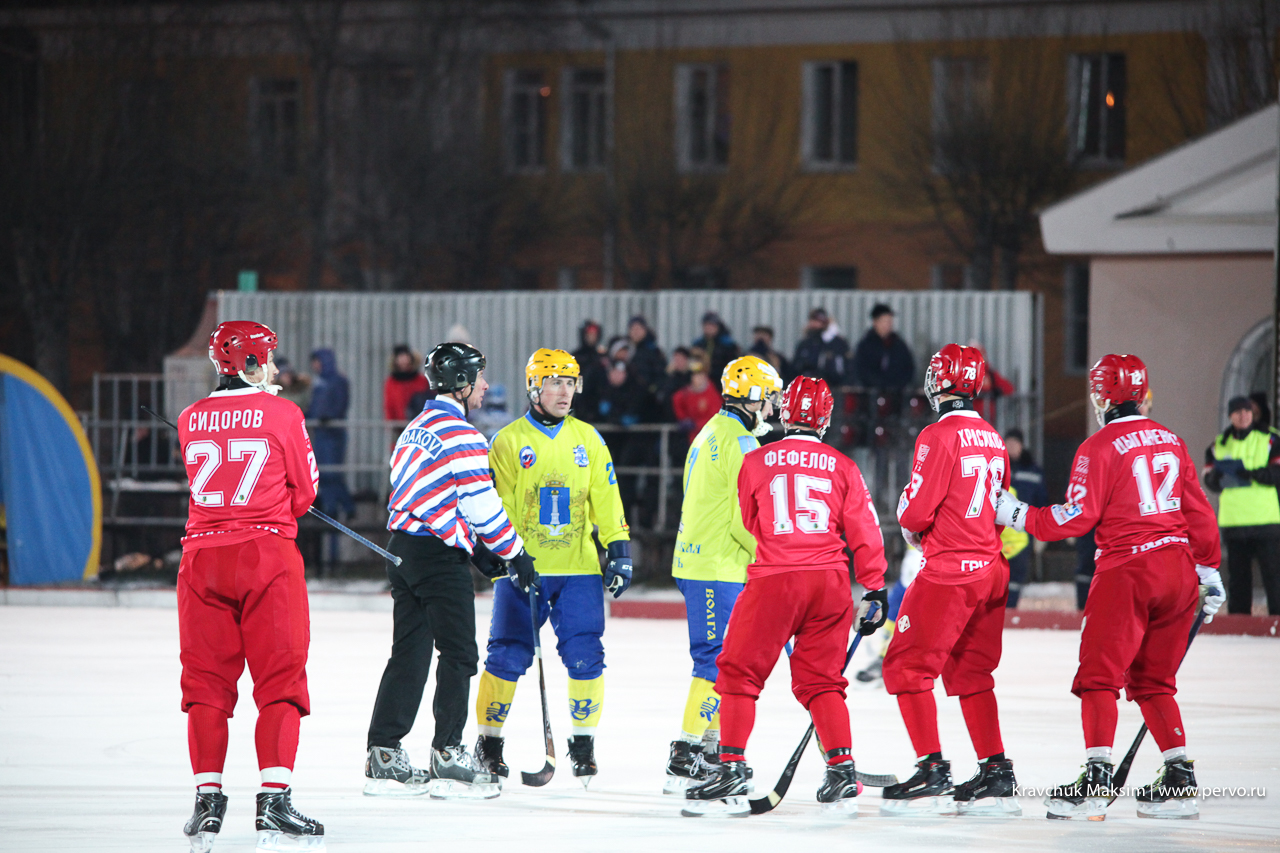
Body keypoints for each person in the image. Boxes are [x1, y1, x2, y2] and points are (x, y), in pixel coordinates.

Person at [997, 353, 1223, 820]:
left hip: (1127, 573)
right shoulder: (1172, 440)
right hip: (1178, 571)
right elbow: (1198, 510)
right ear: (1142, 394)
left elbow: (1075, 517)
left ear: (1103, 396)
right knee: (1154, 680)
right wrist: (1210, 569)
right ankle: (1180, 777)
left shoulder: (1098, 446)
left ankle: (1098, 778)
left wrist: (1018, 514)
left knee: (1100, 677)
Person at [683, 377, 888, 816]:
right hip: (829, 582)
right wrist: (874, 586)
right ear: (826, 419)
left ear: (784, 412)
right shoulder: (842, 465)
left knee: (738, 674)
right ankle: (840, 767)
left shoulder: (756, 461)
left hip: (774, 579)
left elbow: (753, 523)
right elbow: (865, 531)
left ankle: (732, 763)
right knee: (821, 682)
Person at [364, 342, 540, 800]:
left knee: (410, 654)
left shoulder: (417, 427)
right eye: (479, 377)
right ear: (460, 383)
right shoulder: (463, 435)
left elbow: (427, 492)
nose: (484, 385)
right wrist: (515, 553)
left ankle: (384, 754)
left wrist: (479, 552)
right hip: (438, 560)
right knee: (460, 654)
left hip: (403, 552)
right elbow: (483, 505)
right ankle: (447, 754)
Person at [177, 321, 324, 852]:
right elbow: (305, 492)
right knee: (281, 679)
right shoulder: (285, 413)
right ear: (253, 361)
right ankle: (273, 799)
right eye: (271, 360)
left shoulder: (189, 418)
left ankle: (208, 800)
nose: (277, 371)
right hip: (266, 556)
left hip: (200, 559)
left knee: (206, 684)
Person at [475, 349, 633, 787]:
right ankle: (489, 745)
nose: (565, 392)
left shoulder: (589, 439)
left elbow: (606, 497)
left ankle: (583, 747)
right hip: (524, 571)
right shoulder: (508, 441)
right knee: (507, 655)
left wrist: (618, 549)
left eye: (570, 383)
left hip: (579, 570)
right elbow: (498, 505)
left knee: (586, 657)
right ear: (534, 387)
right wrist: (500, 555)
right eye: (555, 383)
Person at [884, 343, 1018, 816]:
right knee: (971, 671)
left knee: (904, 668)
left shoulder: (938, 435)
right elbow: (997, 506)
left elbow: (917, 509)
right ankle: (995, 767)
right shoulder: (993, 436)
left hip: (950, 571)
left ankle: (931, 766)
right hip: (990, 567)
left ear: (939, 383)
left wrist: (909, 519)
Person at [664, 355, 782, 794]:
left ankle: (710, 750)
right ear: (752, 396)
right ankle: (686, 756)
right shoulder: (741, 443)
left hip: (705, 562)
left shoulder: (713, 431)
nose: (771, 407)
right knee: (715, 662)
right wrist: (775, 555)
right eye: (768, 397)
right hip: (718, 565)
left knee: (722, 662)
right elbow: (742, 521)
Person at [1203, 395, 1280, 615]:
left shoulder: (1269, 439)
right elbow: (1209, 476)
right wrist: (1220, 478)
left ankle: (1277, 623)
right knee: (1238, 581)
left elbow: (1277, 472)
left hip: (1266, 520)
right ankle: (1239, 627)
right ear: (1230, 416)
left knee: (1273, 577)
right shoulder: (1219, 444)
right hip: (1234, 521)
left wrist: (1253, 474)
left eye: (1247, 411)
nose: (1243, 415)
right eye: (1237, 412)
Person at [307, 348, 355, 565]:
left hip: (333, 436)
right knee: (324, 478)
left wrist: (328, 417)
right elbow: (313, 409)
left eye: (317, 361)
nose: (315, 365)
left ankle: (348, 505)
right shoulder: (318, 383)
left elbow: (339, 406)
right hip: (321, 437)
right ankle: (330, 559)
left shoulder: (338, 381)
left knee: (332, 475)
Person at [1003, 428, 1047, 608]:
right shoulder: (998, 466)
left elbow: (1042, 501)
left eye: (1015, 443)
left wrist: (1041, 531)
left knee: (1015, 577)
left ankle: (1010, 612)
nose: (1012, 447)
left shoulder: (1034, 471)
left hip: (1023, 532)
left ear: (1021, 445)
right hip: (997, 533)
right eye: (1009, 443)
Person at [852, 303, 914, 393]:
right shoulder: (866, 345)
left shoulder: (898, 344)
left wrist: (897, 385)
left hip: (897, 395)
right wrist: (878, 385)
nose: (888, 325)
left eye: (889, 321)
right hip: (871, 395)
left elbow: (908, 368)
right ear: (875, 322)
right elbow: (861, 371)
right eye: (884, 321)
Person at [793, 307, 849, 389]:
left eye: (818, 322)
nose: (814, 324)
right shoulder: (805, 344)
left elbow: (844, 368)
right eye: (813, 321)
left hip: (831, 388)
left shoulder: (836, 343)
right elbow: (796, 367)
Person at [671, 354, 721, 439]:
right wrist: (683, 419)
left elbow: (715, 417)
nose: (697, 378)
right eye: (695, 375)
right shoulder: (687, 392)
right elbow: (676, 399)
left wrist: (696, 424)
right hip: (693, 437)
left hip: (710, 437)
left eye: (700, 374)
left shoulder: (712, 393)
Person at [690, 311, 741, 390]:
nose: (709, 328)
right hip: (702, 385)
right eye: (707, 325)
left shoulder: (728, 345)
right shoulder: (698, 344)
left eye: (712, 325)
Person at [383, 344, 430, 422]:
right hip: (398, 425)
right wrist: (390, 423)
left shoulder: (421, 380)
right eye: (400, 357)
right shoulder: (391, 382)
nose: (403, 360)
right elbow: (389, 405)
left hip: (419, 422)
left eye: (405, 356)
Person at [626, 315, 668, 397]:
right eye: (633, 329)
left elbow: (661, 376)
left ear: (645, 330)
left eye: (638, 329)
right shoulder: (625, 349)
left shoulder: (654, 352)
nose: (635, 332)